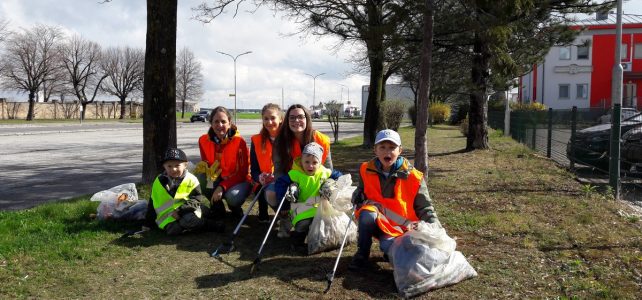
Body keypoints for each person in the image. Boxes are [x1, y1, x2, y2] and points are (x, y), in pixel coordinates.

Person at [348, 129, 438, 270]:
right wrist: (357, 194)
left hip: (400, 227)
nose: (387, 152)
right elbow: (362, 191)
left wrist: (437, 230)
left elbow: (425, 207)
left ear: (400, 150)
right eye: (382, 147)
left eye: (392, 148)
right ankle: (362, 253)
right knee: (366, 214)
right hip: (376, 221)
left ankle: (389, 252)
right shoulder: (365, 169)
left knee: (390, 247)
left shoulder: (414, 177)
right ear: (375, 150)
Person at [267, 104, 333, 238]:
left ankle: (315, 221)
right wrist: (287, 189)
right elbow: (278, 171)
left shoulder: (322, 140)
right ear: (287, 121)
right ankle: (286, 217)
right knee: (270, 193)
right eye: (292, 118)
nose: (296, 121)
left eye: (300, 117)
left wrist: (326, 184)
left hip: (315, 182)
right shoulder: (280, 141)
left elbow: (329, 169)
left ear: (307, 119)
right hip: (291, 181)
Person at [274, 142, 342, 254]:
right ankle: (297, 243)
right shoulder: (295, 174)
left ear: (320, 163)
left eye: (315, 162)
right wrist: (285, 204)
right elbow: (280, 183)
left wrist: (333, 183)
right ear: (301, 161)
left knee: (328, 223)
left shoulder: (324, 172)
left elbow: (338, 175)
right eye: (307, 162)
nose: (310, 166)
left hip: (320, 207)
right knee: (303, 224)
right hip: (301, 208)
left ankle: (325, 240)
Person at [145, 148, 223, 236]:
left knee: (189, 220)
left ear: (185, 165)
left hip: (187, 210)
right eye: (169, 166)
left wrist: (179, 211)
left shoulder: (191, 179)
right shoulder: (159, 181)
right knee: (173, 231)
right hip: (168, 216)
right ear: (164, 166)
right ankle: (190, 224)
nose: (173, 169)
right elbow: (152, 202)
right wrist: (148, 223)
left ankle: (208, 224)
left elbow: (196, 199)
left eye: (177, 165)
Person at [197, 106, 251, 219]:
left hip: (239, 180)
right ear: (211, 123)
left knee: (232, 197)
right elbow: (206, 164)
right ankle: (217, 207)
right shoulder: (203, 140)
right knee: (201, 178)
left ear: (230, 123)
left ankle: (235, 208)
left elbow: (243, 173)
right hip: (217, 178)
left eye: (223, 121)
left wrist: (222, 187)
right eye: (216, 121)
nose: (220, 125)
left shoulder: (239, 142)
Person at [250, 103, 283, 223]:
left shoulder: (289, 138)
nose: (269, 122)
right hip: (266, 181)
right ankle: (280, 215)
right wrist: (260, 177)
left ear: (280, 119)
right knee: (263, 188)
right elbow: (253, 169)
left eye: (273, 118)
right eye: (266, 119)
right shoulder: (256, 140)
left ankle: (285, 214)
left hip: (285, 178)